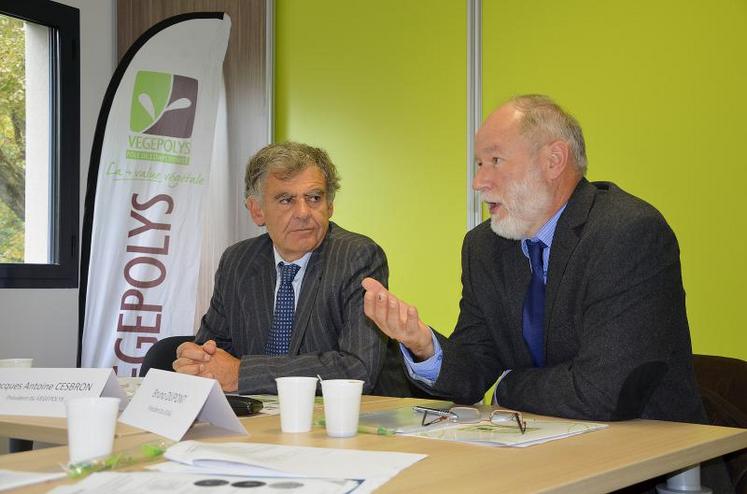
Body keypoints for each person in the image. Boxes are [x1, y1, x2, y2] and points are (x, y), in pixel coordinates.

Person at [362, 95, 732, 490]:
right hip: (535, 461)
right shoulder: (484, 246)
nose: (478, 181)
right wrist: (424, 346)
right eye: (478, 164)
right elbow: (474, 367)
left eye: (495, 161)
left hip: (646, 472)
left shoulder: (626, 232)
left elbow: (603, 393)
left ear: (553, 161)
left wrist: (503, 386)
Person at [173, 141, 407, 396]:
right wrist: (197, 360)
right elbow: (214, 348)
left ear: (329, 206)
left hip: (352, 420)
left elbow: (356, 368)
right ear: (257, 210)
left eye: (314, 198)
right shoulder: (238, 261)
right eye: (286, 200)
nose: (304, 212)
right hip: (260, 420)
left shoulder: (356, 257)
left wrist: (242, 374)